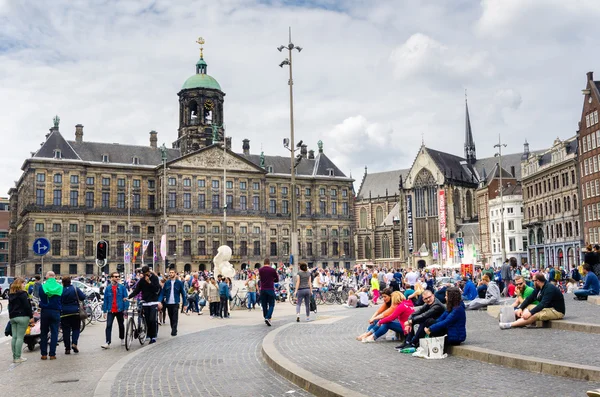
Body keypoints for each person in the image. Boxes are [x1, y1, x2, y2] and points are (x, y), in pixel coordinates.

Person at [500, 273, 565, 329]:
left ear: (538, 281)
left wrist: (530, 313)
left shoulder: (549, 288)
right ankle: (521, 320)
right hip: (547, 308)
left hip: (556, 311)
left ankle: (510, 325)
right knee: (527, 306)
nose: (532, 282)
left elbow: (543, 304)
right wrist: (520, 308)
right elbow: (529, 299)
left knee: (535, 315)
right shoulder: (539, 288)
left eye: (533, 281)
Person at [424, 286, 467, 352]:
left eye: (446, 296)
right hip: (450, 332)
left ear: (451, 297)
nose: (445, 297)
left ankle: (415, 343)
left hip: (456, 337)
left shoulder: (458, 309)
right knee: (429, 321)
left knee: (431, 324)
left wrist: (430, 329)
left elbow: (446, 322)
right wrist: (432, 325)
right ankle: (415, 342)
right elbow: (441, 319)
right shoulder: (452, 307)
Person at [127, 265, 161, 344]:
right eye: (144, 274)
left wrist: (149, 282)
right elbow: (137, 290)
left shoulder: (155, 278)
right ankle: (148, 334)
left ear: (149, 272)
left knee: (152, 319)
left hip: (153, 301)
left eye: (147, 274)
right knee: (147, 320)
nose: (146, 275)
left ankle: (153, 336)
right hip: (145, 302)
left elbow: (156, 289)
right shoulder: (142, 280)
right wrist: (128, 297)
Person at [8, 277, 33, 363]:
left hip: (13, 317)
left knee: (14, 337)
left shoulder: (11, 294)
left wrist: (11, 316)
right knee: (20, 337)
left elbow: (9, 307)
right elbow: (27, 306)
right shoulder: (23, 294)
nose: (24, 285)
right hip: (22, 316)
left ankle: (15, 356)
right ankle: (18, 357)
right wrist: (31, 316)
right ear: (20, 284)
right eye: (23, 283)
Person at [38, 271, 63, 360]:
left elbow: (40, 297)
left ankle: (43, 354)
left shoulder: (42, 287)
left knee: (44, 332)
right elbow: (61, 299)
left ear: (47, 277)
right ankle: (52, 354)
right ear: (54, 277)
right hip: (56, 311)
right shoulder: (60, 287)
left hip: (45, 311)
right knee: (54, 332)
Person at [101, 272, 129, 349]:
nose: (117, 278)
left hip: (120, 310)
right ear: (111, 278)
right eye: (115, 277)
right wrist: (104, 311)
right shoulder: (108, 288)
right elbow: (105, 300)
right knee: (108, 325)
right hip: (111, 310)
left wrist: (125, 309)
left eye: (118, 276)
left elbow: (126, 298)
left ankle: (122, 338)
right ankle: (107, 342)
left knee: (121, 325)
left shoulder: (122, 287)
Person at [60, 276, 86, 354]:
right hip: (75, 312)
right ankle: (74, 343)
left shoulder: (61, 290)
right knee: (76, 329)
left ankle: (67, 348)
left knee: (66, 331)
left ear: (63, 282)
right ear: (70, 281)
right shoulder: (75, 289)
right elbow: (82, 297)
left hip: (64, 313)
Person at [157, 268, 187, 336]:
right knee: (170, 317)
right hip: (168, 303)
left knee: (175, 317)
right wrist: (159, 301)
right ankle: (173, 328)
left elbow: (183, 293)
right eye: (170, 272)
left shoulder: (179, 283)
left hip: (175, 302)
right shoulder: (167, 283)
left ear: (175, 274)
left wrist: (185, 304)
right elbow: (162, 293)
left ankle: (174, 330)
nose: (171, 274)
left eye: (172, 272)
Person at [258, 258, 278, 326]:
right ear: (269, 263)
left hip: (263, 289)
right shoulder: (272, 270)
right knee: (271, 304)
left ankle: (265, 316)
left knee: (264, 304)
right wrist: (272, 280)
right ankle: (267, 317)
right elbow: (277, 279)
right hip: (270, 289)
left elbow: (260, 279)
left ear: (264, 263)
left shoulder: (260, 270)